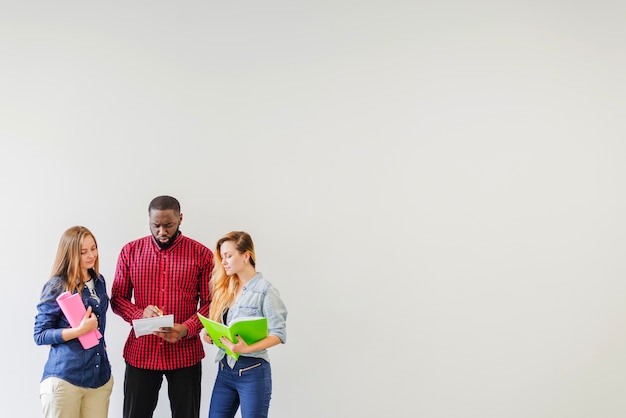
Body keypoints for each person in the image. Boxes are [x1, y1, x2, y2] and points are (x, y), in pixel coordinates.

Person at [111, 195, 214, 418]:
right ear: (148, 220)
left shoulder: (203, 255)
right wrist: (140, 313)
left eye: (168, 225)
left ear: (180, 219)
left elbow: (211, 303)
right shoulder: (130, 251)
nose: (162, 232)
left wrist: (186, 328)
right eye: (155, 225)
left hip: (185, 354)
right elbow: (118, 298)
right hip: (142, 353)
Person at [203, 231, 287, 418]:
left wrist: (246, 348)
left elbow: (279, 334)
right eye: (222, 257)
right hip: (225, 370)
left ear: (246, 255)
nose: (223, 261)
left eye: (228, 256)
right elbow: (221, 325)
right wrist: (209, 335)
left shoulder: (266, 291)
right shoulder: (227, 289)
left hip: (253, 372)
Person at [34, 226, 113, 418]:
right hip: (65, 380)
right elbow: (40, 335)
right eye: (83, 252)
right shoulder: (57, 285)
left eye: (93, 248)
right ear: (69, 254)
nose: (91, 255)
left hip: (99, 380)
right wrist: (79, 331)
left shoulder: (99, 281)